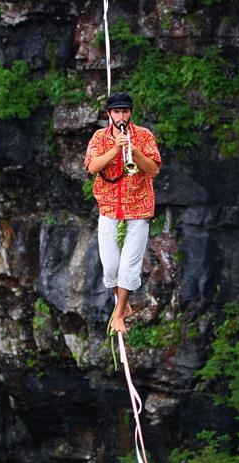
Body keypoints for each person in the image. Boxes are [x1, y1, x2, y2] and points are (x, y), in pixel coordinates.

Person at [84, 92, 162, 334]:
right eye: (116, 111)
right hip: (109, 208)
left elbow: (154, 170)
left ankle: (118, 315)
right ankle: (123, 305)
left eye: (125, 111)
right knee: (110, 267)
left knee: (129, 266)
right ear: (109, 114)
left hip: (138, 208)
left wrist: (134, 151)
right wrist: (115, 150)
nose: (121, 115)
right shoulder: (99, 137)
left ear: (130, 113)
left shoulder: (144, 135)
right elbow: (91, 167)